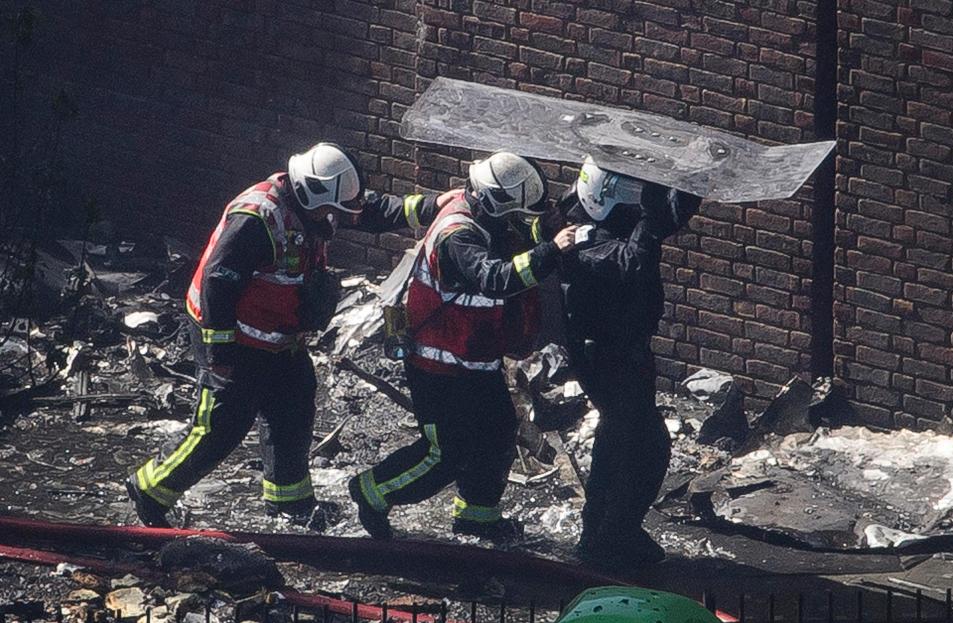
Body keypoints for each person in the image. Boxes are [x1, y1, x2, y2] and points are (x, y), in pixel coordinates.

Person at [125, 142, 439, 529]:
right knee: (222, 425)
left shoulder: (318, 203)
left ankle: (290, 504)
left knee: (293, 410)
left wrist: (431, 207)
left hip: (279, 336)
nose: (336, 221)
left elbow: (370, 211)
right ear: (312, 194)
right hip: (232, 335)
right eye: (332, 212)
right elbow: (218, 282)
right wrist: (219, 350)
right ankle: (152, 488)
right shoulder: (257, 217)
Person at [348, 151, 580, 543]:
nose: (521, 222)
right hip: (438, 367)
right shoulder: (459, 235)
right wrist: (550, 251)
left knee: (498, 433)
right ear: (495, 202)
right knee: (444, 454)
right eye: (517, 214)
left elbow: (513, 243)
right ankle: (373, 492)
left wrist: (542, 233)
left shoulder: (485, 215)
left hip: (474, 358)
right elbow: (496, 277)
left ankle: (478, 517)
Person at [546, 157, 702, 567]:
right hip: (606, 356)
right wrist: (650, 216)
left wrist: (690, 183)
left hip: (625, 349)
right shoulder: (581, 238)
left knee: (633, 443)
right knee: (635, 445)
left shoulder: (610, 214)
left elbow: (660, 220)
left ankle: (611, 530)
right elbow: (631, 262)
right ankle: (605, 537)